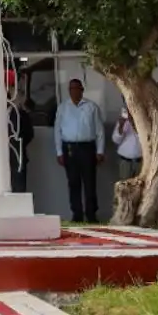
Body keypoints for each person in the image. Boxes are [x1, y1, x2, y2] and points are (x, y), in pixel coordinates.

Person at [54, 78, 105, 223]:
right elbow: (57, 130)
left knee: (90, 182)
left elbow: (99, 131)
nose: (74, 91)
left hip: (87, 147)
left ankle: (91, 214)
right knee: (73, 182)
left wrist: (100, 151)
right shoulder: (63, 107)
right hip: (69, 148)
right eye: (71, 89)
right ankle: (77, 214)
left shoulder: (91, 107)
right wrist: (59, 152)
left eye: (77, 88)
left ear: (82, 90)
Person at [113, 107, 143, 184]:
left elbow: (146, 138)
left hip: (140, 161)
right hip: (125, 161)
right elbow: (116, 140)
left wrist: (133, 122)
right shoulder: (123, 122)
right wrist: (121, 126)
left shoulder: (144, 122)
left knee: (139, 185)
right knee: (125, 186)